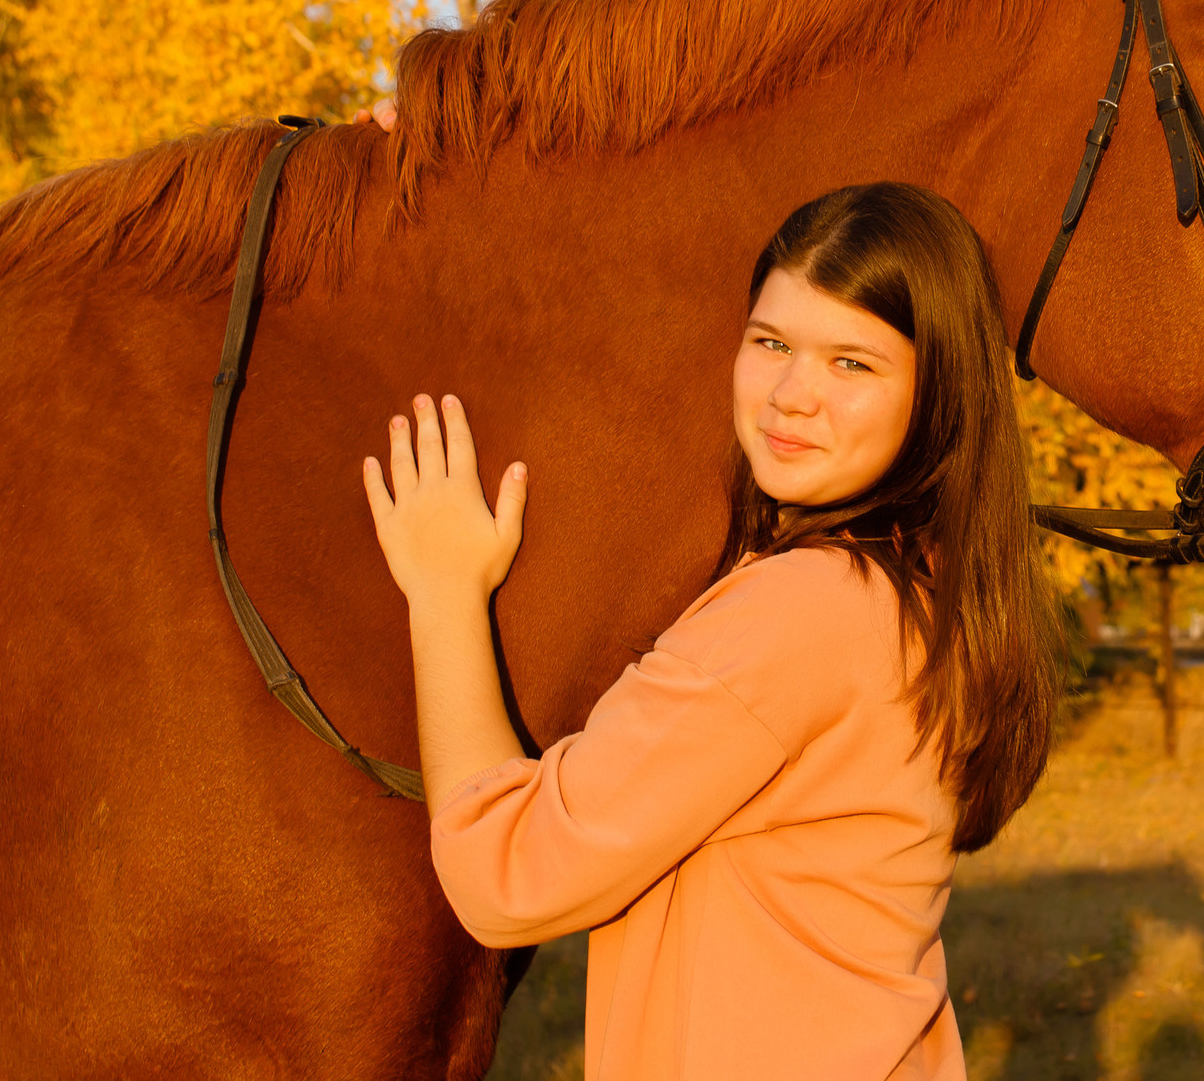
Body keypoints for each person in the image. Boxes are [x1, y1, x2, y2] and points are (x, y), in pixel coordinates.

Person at [363, 181, 1057, 1079]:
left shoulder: (804, 610)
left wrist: (445, 589)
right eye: (770, 342)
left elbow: (508, 878)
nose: (791, 396)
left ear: (939, 392)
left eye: (853, 363)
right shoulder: (924, 590)